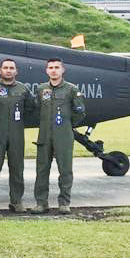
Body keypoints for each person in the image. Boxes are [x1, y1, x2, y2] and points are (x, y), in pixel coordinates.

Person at [32, 58, 87, 215]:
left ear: (63, 70)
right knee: (42, 170)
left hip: (63, 135)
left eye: (57, 67)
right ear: (46, 71)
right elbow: (36, 109)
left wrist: (68, 125)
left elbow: (80, 111)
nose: (54, 70)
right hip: (44, 135)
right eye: (51, 67)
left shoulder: (71, 89)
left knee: (65, 170)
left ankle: (64, 203)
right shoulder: (41, 89)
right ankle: (41, 203)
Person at [0, 58, 36, 213]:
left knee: (17, 168)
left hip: (16, 133)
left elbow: (31, 107)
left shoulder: (23, 89)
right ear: (0, 71)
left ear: (16, 71)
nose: (8, 70)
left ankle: (16, 201)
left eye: (11, 68)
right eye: (5, 68)